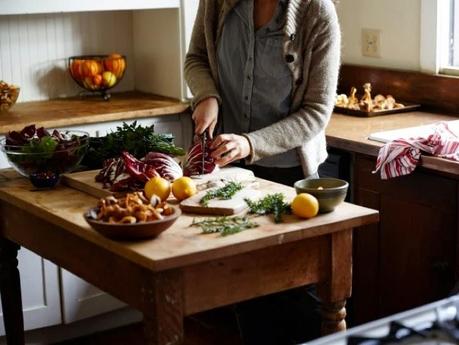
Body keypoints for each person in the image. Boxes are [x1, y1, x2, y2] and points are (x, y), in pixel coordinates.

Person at [185, 0, 340, 343]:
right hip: (231, 176)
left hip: (290, 179)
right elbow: (196, 58)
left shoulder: (317, 12)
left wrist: (250, 143)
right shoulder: (216, 4)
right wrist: (207, 95)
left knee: (298, 294)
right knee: (245, 291)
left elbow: (316, 112)